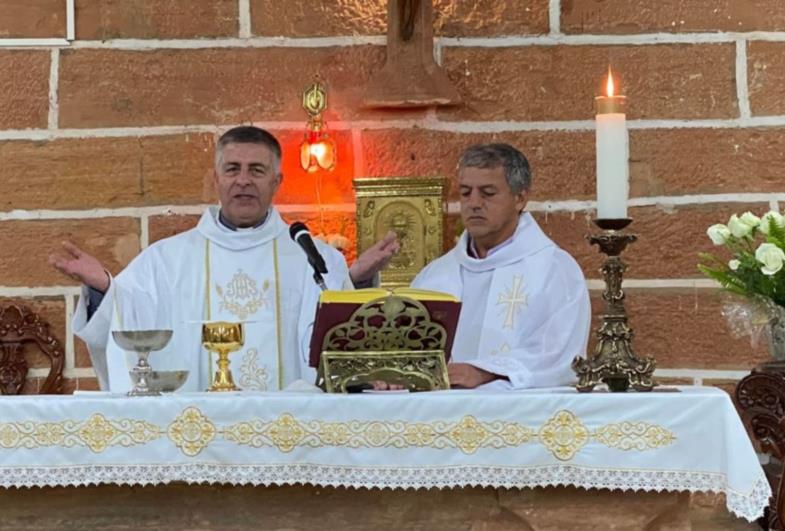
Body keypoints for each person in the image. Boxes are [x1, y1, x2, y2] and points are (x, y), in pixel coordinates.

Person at [50, 126, 398, 392]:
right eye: (232, 169)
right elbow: (131, 317)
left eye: (256, 170)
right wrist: (105, 289)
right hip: (199, 441)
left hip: (292, 440)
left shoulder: (314, 258)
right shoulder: (167, 259)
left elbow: (342, 338)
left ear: (277, 181)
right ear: (216, 179)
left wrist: (357, 281)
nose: (243, 180)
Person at [411, 143, 591, 390]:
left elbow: (560, 356)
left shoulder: (555, 270)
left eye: (487, 193)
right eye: (465, 192)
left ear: (520, 198)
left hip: (520, 420)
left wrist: (484, 372)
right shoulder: (434, 276)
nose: (473, 203)